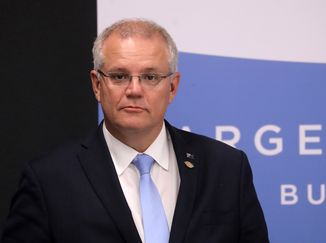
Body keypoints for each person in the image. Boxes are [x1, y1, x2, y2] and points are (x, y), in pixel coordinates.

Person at [1, 19, 269, 243]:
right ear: (97, 85)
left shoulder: (227, 168)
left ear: (173, 87)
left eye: (150, 77)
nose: (134, 90)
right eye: (119, 76)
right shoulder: (49, 181)